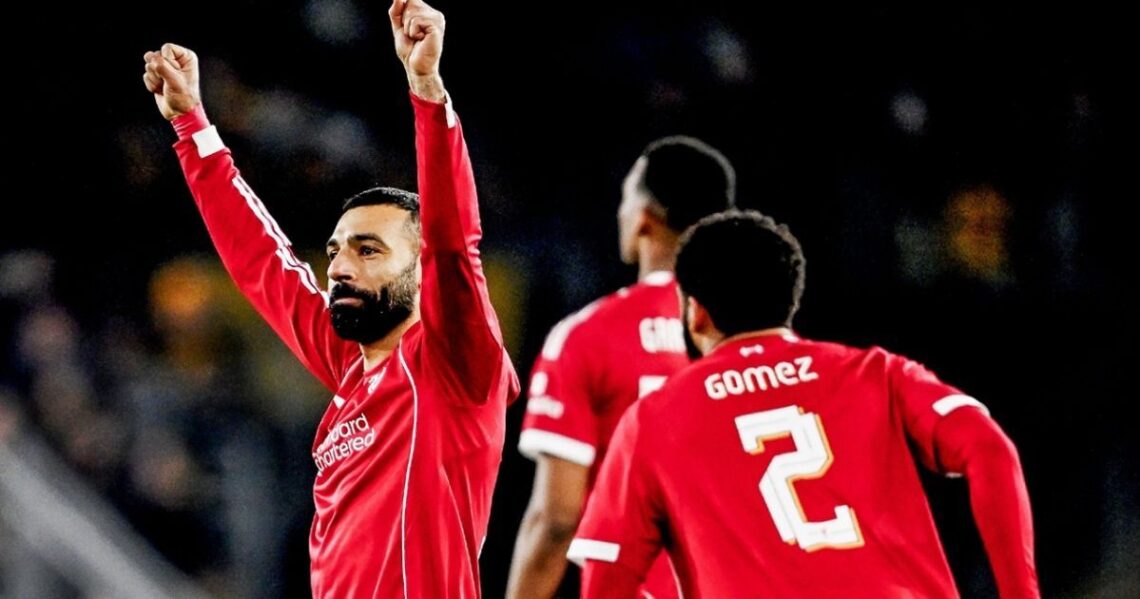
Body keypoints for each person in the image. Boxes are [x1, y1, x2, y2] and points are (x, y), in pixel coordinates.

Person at [141, 0, 520, 595]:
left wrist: (427, 91)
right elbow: (265, 266)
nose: (340, 267)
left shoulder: (453, 367)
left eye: (369, 250)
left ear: (420, 271)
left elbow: (454, 246)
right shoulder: (351, 371)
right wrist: (194, 129)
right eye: (337, 250)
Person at [568, 210, 1040, 598]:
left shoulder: (653, 417)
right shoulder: (878, 372)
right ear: (790, 299)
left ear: (695, 312)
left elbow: (608, 571)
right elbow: (991, 450)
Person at [507, 137, 736, 598]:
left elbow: (555, 521)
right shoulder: (756, 334)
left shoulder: (587, 336)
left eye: (626, 197)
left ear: (645, 218)